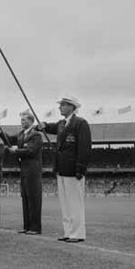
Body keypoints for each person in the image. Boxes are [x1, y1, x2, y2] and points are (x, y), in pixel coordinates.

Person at [39, 95, 92, 243]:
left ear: (72, 107)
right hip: (61, 169)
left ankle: (78, 233)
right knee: (65, 203)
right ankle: (68, 232)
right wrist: (42, 125)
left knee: (75, 203)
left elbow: (84, 147)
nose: (60, 107)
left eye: (63, 105)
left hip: (73, 169)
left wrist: (80, 168)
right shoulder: (62, 124)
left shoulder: (81, 123)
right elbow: (51, 127)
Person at [8, 111, 43, 235]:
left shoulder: (36, 135)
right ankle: (27, 225)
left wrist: (16, 151)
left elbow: (31, 151)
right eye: (21, 120)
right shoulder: (21, 134)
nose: (22, 122)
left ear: (31, 121)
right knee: (26, 198)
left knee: (34, 198)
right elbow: (8, 139)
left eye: (24, 120)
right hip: (24, 170)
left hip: (33, 171)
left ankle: (35, 227)